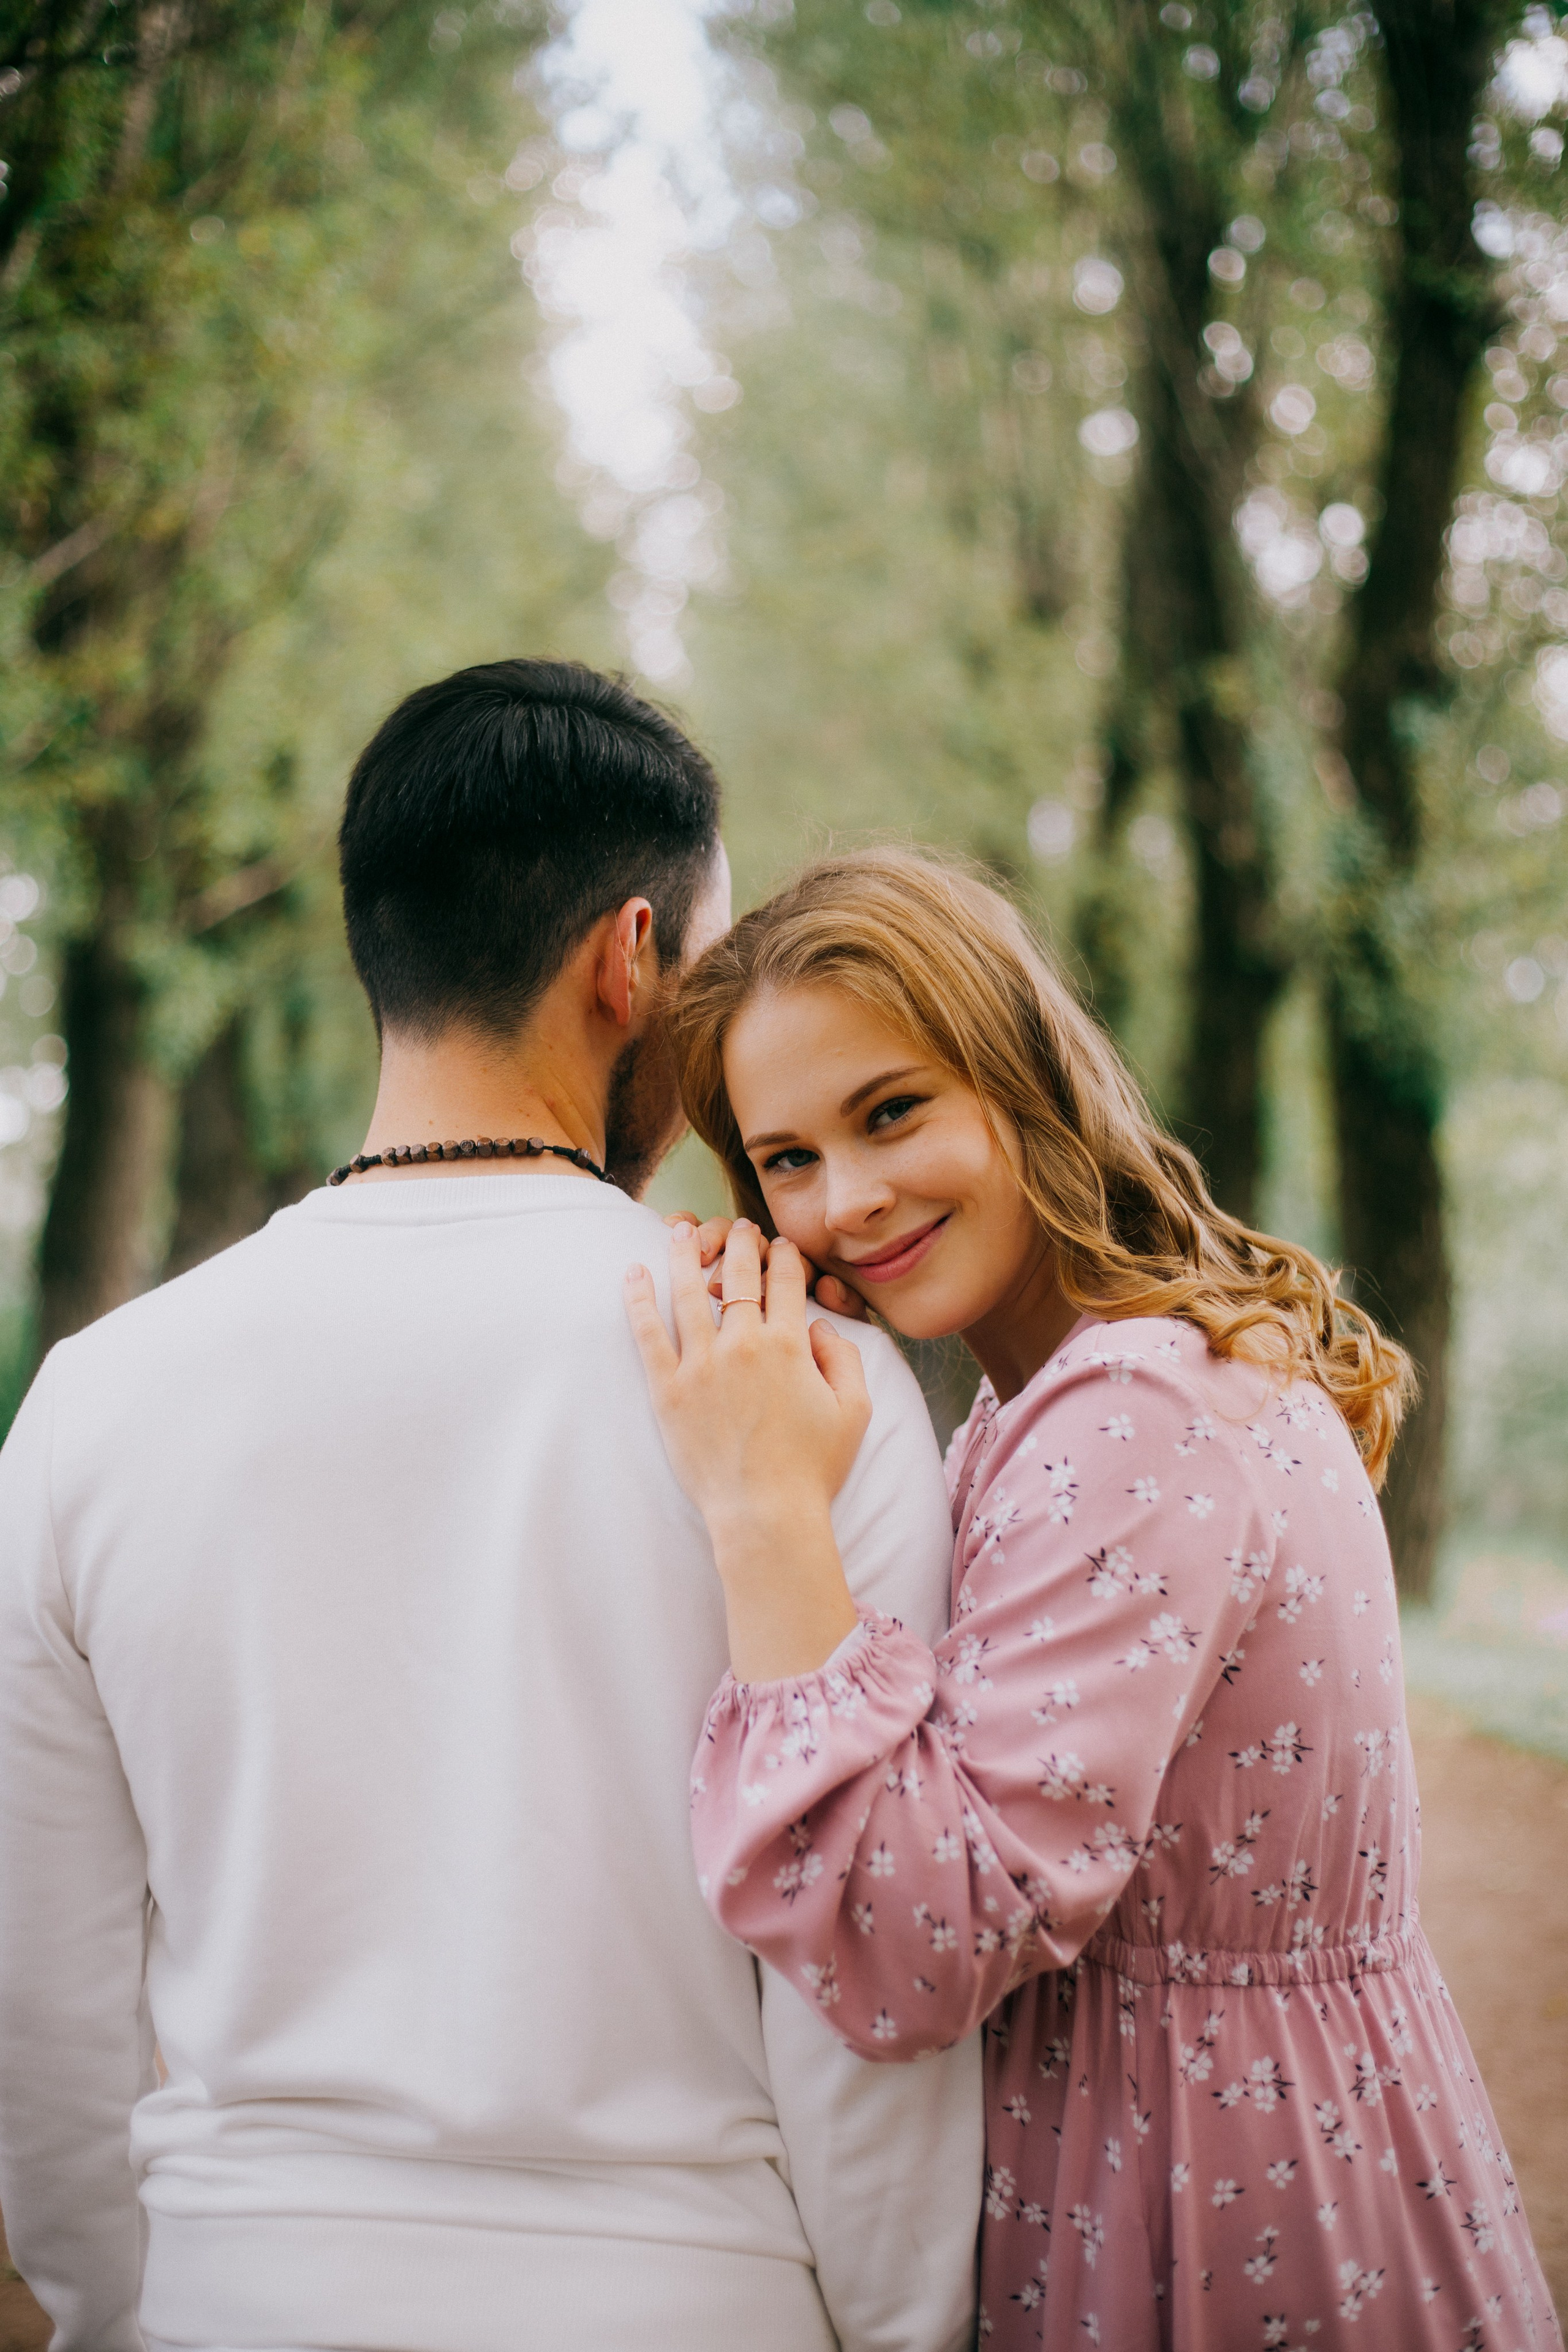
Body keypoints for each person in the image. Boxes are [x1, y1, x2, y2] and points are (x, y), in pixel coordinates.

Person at [0, 669, 982, 2352]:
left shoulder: (94, 1404)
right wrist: (904, 2332)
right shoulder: (802, 1381)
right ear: (631, 960)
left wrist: (120, 2309)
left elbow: (43, 2001)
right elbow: (860, 1988)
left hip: (242, 2295)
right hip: (698, 2301)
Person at [625, 845, 1561, 2351]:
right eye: (787, 1159)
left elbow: (910, 1944)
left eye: (891, 1112)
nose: (846, 1200)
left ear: (1019, 1076)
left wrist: (759, 1505)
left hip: (1199, 2197)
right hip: (1249, 2139)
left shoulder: (1132, 1415)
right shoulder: (1065, 1394)